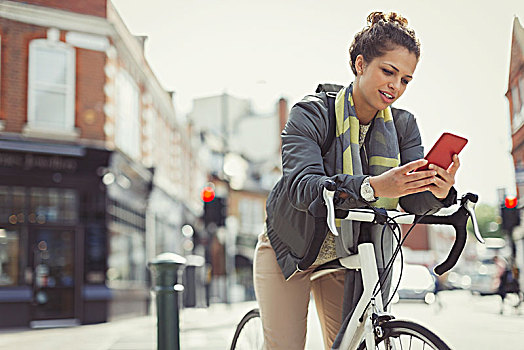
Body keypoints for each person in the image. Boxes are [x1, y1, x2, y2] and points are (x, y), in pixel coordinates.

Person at [254, 11, 459, 350]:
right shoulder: (312, 113)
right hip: (291, 247)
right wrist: (373, 186)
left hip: (346, 253)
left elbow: (410, 199)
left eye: (406, 79)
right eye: (388, 71)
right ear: (361, 64)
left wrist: (437, 190)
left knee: (350, 345)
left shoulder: (405, 126)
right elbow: (303, 186)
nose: (396, 86)